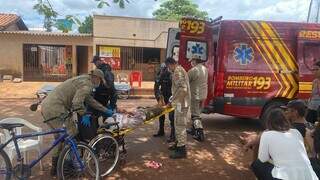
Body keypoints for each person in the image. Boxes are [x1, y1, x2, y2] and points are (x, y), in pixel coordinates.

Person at [41, 69, 114, 176]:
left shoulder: (83, 80)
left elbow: (91, 101)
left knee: (59, 138)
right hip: (56, 108)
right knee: (72, 133)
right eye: (100, 81)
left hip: (47, 106)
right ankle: (68, 167)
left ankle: (55, 168)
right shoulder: (87, 85)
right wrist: (84, 114)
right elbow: (76, 103)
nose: (100, 83)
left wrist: (105, 110)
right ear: (97, 78)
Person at [251, 109, 318, 180]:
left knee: (257, 164)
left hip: (285, 177)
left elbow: (263, 159)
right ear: (285, 120)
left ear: (269, 122)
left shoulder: (267, 134)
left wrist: (275, 161)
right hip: (309, 176)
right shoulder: (296, 132)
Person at [166, 57, 191, 159]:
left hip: (181, 103)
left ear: (171, 64)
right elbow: (177, 89)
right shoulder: (179, 69)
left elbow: (183, 89)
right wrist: (172, 100)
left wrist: (174, 102)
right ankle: (178, 144)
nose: (168, 69)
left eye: (168, 66)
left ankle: (181, 150)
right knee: (177, 124)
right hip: (181, 102)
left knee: (180, 125)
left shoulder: (177, 72)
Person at [187, 57, 208, 142]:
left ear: (194, 61)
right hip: (203, 95)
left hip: (195, 95)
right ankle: (193, 130)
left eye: (191, 61)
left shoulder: (194, 70)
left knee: (195, 115)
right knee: (198, 113)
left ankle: (200, 134)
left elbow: (185, 80)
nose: (190, 63)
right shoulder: (205, 68)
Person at [153, 63, 175, 143]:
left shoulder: (171, 75)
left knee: (172, 116)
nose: (163, 71)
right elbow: (156, 88)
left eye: (164, 69)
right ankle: (161, 131)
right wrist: (159, 98)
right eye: (162, 69)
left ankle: (173, 135)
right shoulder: (159, 75)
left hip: (170, 97)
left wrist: (171, 99)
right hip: (162, 97)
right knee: (161, 114)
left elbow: (175, 89)